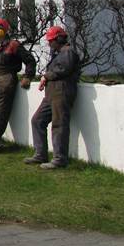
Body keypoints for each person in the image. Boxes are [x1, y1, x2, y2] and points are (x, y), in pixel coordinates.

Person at [24, 26, 81, 169]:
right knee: (37, 120)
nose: (49, 44)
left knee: (59, 125)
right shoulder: (60, 53)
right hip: (51, 94)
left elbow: (63, 69)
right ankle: (40, 154)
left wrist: (46, 76)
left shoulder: (68, 52)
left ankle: (60, 159)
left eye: (51, 41)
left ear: (59, 39)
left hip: (62, 92)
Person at [0, 18, 36, 153]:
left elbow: (30, 60)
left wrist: (28, 76)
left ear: (1, 30)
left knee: (0, 115)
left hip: (5, 83)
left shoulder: (14, 45)